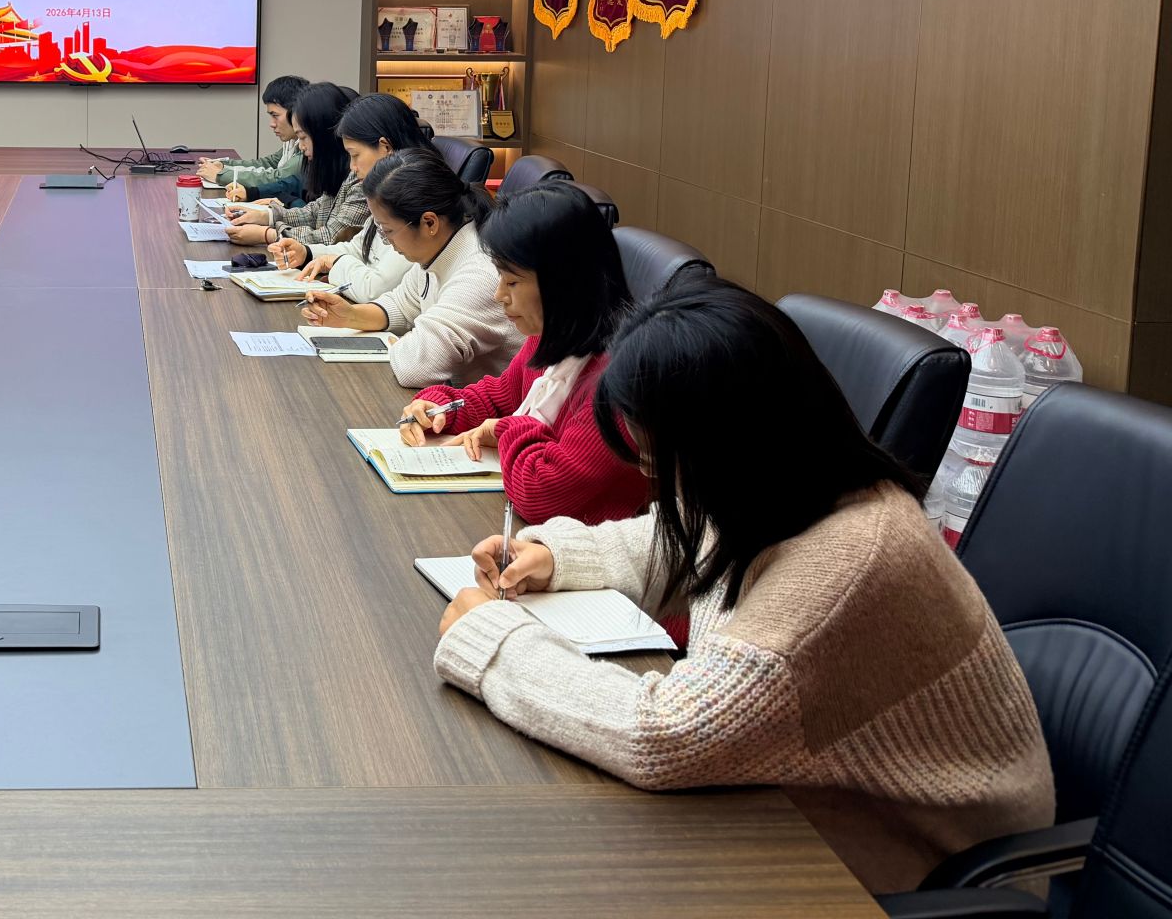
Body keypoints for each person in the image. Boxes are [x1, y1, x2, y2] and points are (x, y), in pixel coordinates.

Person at [434, 277, 1053, 893]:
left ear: (727, 445)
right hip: (805, 812)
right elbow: (690, 539)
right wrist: (558, 555)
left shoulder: (845, 568)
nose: (659, 484)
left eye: (658, 463)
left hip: (913, 872)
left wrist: (493, 641)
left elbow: (662, 733)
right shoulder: (791, 484)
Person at [397, 181, 649, 527]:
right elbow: (498, 397)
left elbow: (540, 494)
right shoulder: (552, 337)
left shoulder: (616, 383)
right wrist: (441, 407)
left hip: (583, 546)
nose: (499, 295)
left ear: (562, 282)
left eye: (512, 282)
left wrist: (505, 430)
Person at [297, 147, 519, 388]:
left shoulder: (479, 273)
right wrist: (350, 316)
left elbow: (415, 368)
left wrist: (404, 346)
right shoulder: (442, 247)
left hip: (491, 409)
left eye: (387, 230)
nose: (385, 241)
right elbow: (402, 305)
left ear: (429, 223)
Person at [266, 92, 431, 301]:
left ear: (385, 148)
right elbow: (357, 247)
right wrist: (307, 253)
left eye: (355, 155)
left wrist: (334, 263)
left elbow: (374, 289)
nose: (352, 167)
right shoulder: (387, 192)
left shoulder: (417, 199)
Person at [225, 83, 367, 248]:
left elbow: (332, 237)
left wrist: (269, 234)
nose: (300, 146)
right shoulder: (336, 173)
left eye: (303, 137)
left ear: (324, 135)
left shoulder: (360, 177)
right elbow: (314, 212)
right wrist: (266, 216)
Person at [200, 74, 306, 196]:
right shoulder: (292, 141)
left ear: (296, 113)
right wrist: (224, 165)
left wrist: (221, 175)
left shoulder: (308, 145)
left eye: (275, 115)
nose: (272, 124)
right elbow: (269, 163)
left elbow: (278, 178)